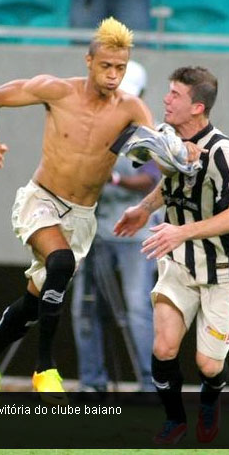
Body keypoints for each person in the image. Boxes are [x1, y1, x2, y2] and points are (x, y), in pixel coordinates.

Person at [0, 17, 161, 401]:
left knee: (36, 302)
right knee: (61, 264)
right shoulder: (56, 90)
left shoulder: (132, 108)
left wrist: (170, 154)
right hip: (40, 201)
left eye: (120, 68)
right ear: (88, 61)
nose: (113, 75)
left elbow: (154, 157)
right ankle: (45, 367)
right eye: (106, 66)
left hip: (81, 217)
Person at [114, 66, 229, 444]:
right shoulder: (169, 139)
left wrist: (180, 230)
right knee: (163, 347)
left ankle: (210, 401)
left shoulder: (223, 150)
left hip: (225, 269)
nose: (166, 99)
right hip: (180, 262)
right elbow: (171, 181)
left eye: (175, 95)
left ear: (197, 107)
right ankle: (175, 421)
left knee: (207, 365)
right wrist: (144, 208)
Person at [71, 60, 161, 393]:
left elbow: (151, 179)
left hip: (134, 236)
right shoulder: (92, 129)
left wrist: (115, 178)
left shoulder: (148, 132)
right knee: (84, 307)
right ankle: (91, 383)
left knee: (138, 309)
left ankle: (151, 385)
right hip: (95, 233)